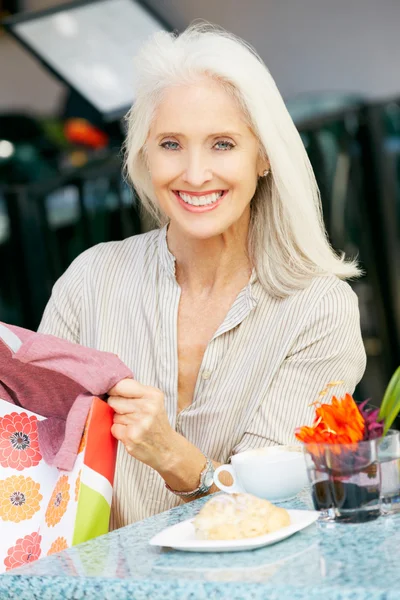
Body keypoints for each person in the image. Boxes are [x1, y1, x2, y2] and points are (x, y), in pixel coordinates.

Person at [38, 22, 366, 529]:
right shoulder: (91, 277)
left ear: (263, 157)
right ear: (144, 153)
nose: (194, 174)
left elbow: (273, 510)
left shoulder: (318, 308)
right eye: (171, 143)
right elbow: (33, 457)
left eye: (222, 144)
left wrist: (171, 455)